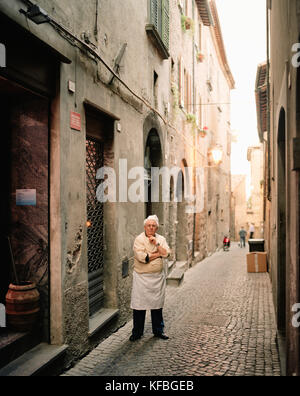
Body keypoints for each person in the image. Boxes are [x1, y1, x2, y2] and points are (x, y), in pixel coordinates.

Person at [130, 215, 171, 341]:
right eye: (149, 225)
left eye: (153, 225)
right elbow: (142, 257)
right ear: (145, 227)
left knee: (157, 306)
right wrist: (158, 254)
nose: (151, 227)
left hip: (157, 278)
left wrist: (156, 244)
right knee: (139, 306)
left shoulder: (161, 239)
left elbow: (167, 253)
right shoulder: (139, 239)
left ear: (157, 228)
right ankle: (137, 332)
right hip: (141, 278)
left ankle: (158, 330)